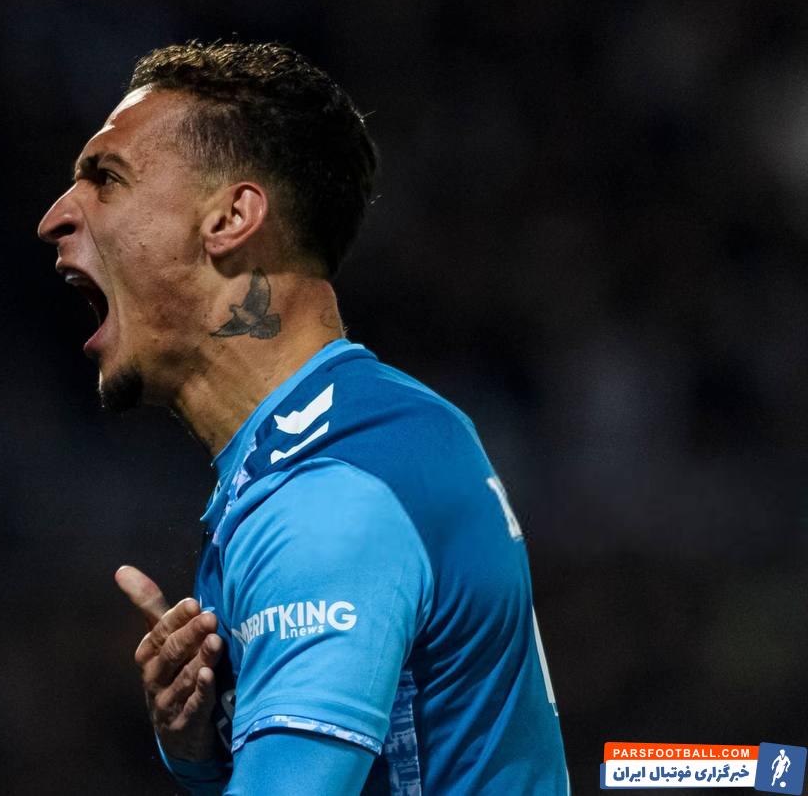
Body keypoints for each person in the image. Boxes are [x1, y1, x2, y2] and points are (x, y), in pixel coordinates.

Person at [38, 41, 569, 794]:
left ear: (230, 218)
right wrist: (207, 753)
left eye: (107, 179)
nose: (55, 218)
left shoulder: (328, 498)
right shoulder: (388, 428)